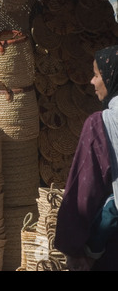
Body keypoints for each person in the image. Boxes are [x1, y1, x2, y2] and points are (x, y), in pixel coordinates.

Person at [54, 45, 118, 271]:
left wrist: (74, 249)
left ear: (111, 78)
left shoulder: (101, 124)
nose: (92, 81)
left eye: (97, 74)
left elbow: (83, 191)